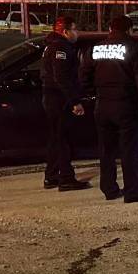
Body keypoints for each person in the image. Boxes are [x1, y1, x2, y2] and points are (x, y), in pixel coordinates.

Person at [79, 14, 138, 203]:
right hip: (125, 105)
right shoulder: (132, 48)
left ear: (110, 29)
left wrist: (94, 92)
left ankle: (109, 189)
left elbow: (83, 75)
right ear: (129, 30)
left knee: (106, 151)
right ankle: (132, 192)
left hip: (102, 105)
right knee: (129, 150)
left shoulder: (96, 48)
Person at [40, 16, 90, 191]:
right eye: (74, 29)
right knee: (63, 140)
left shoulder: (52, 45)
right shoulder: (60, 47)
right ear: (65, 31)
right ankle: (66, 178)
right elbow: (61, 77)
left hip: (52, 97)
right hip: (58, 99)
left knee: (56, 139)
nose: (77, 33)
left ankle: (51, 176)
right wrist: (75, 101)